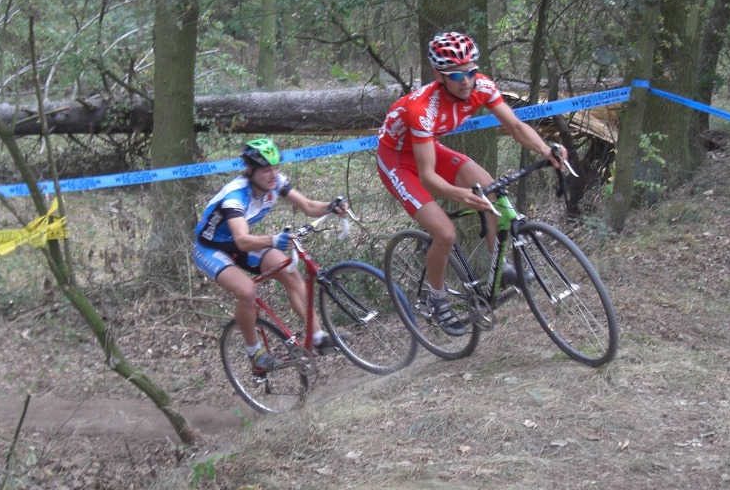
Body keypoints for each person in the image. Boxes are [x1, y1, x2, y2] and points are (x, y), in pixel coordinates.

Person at [376, 31, 564, 333]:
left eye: (471, 71)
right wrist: (460, 195)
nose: (466, 80)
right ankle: (437, 299)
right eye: (456, 75)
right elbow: (427, 177)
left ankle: (499, 267)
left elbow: (515, 126)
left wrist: (545, 149)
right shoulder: (422, 110)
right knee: (445, 233)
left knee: (493, 192)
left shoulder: (482, 86)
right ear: (439, 76)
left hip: (427, 148)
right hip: (397, 161)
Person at [193, 137, 349, 374]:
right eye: (266, 170)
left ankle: (318, 339)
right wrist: (273, 240)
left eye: (276, 168)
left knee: (290, 272)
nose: (273, 175)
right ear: (250, 171)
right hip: (211, 248)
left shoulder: (276, 183)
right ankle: (255, 352)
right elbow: (242, 240)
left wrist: (331, 206)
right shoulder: (235, 196)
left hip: (239, 243)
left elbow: (307, 206)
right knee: (247, 290)